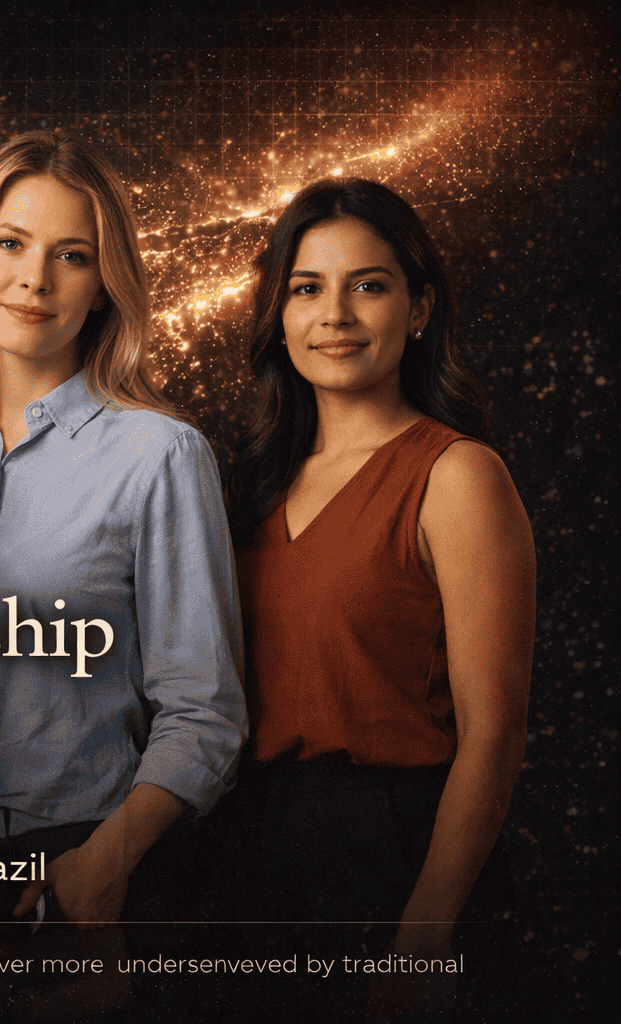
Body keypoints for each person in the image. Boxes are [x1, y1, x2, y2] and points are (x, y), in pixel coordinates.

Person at [0, 131, 247, 1018]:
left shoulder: (160, 456)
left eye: (73, 256)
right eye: (11, 243)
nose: (35, 280)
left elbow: (205, 712)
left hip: (81, 864)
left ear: (106, 285)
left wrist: (104, 864)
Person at [223, 177, 535, 1019]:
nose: (336, 315)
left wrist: (424, 937)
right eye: (306, 288)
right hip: (250, 857)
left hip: (399, 859)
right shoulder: (246, 486)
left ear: (420, 307)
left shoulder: (457, 476)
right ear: (279, 315)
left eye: (368, 284)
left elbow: (495, 736)